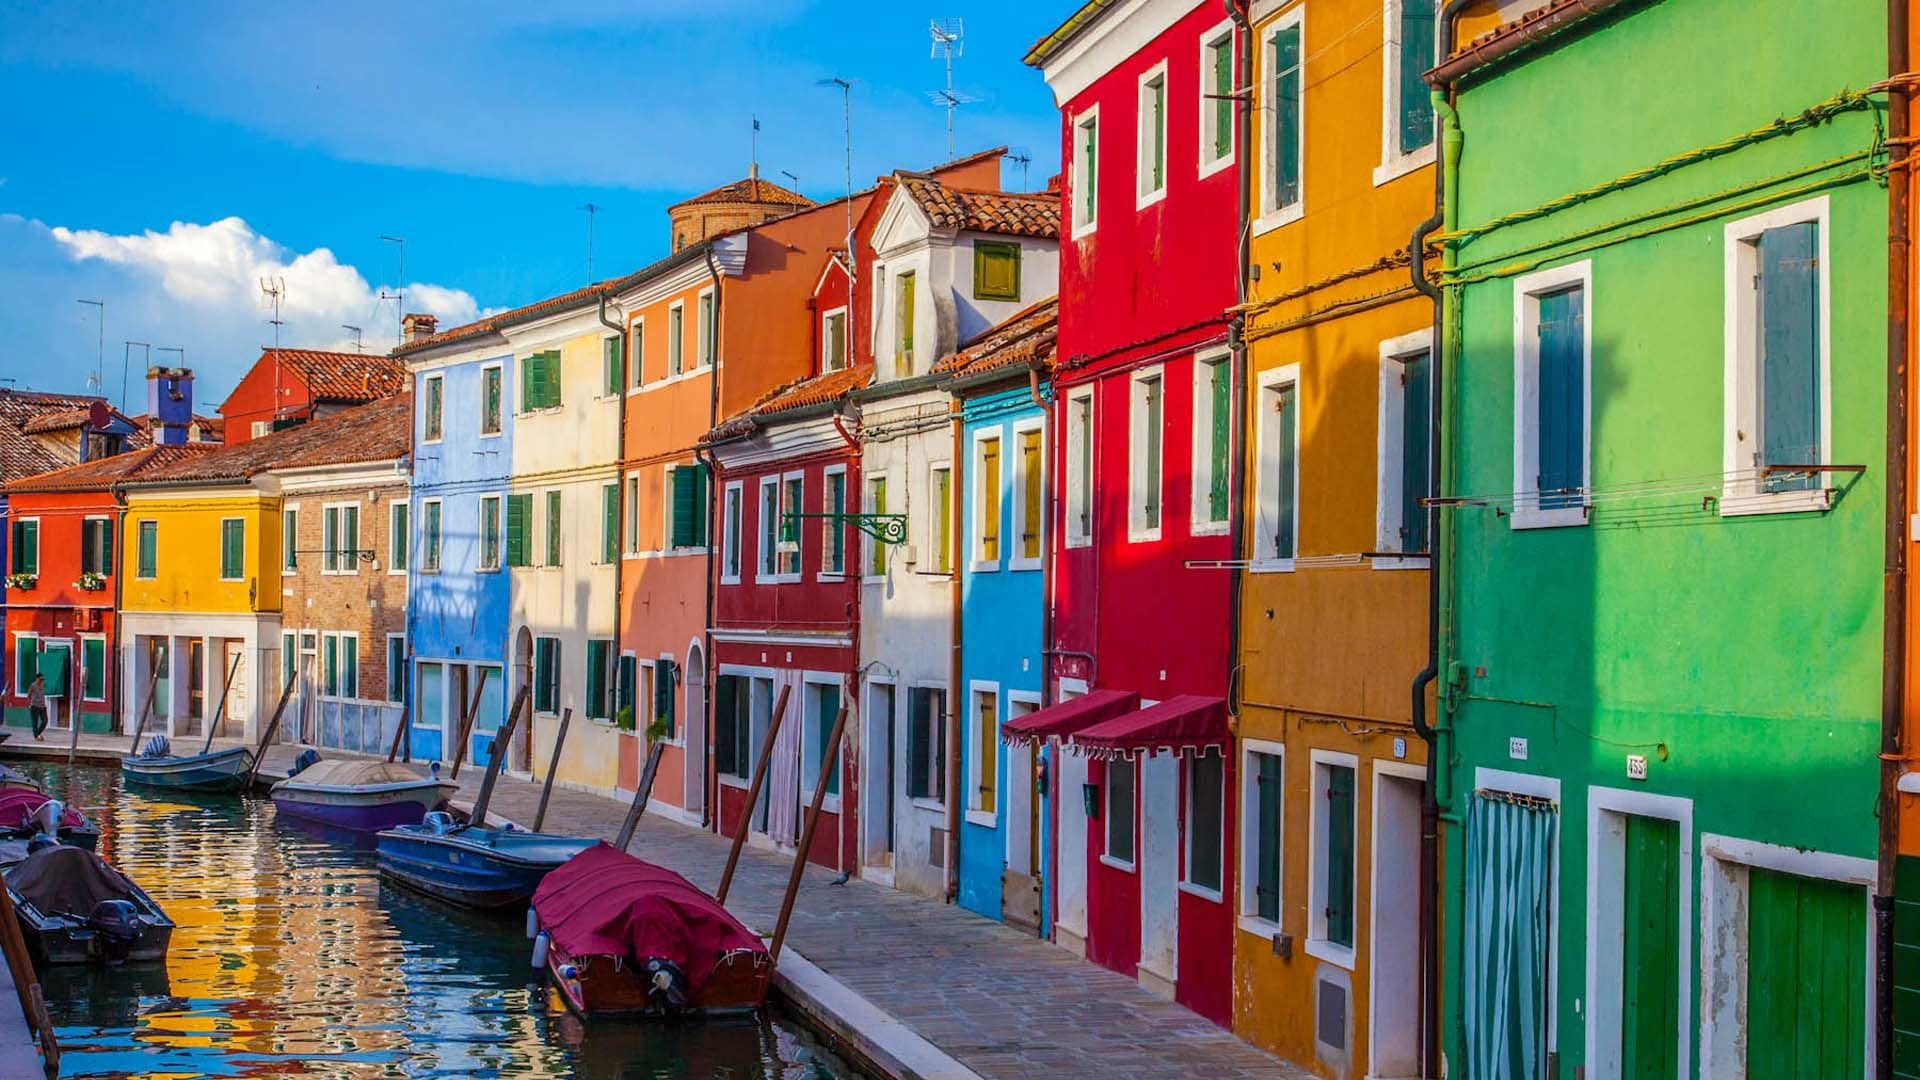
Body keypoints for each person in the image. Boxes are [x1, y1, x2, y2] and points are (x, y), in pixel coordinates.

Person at [26, 673, 47, 741]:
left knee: (45, 721)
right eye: (40, 679)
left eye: (42, 679)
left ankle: (37, 733)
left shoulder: (43, 685)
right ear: (37, 679)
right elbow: (28, 695)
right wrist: (30, 704)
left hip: (42, 706)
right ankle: (36, 736)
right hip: (34, 706)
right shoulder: (33, 685)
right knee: (35, 722)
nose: (41, 681)